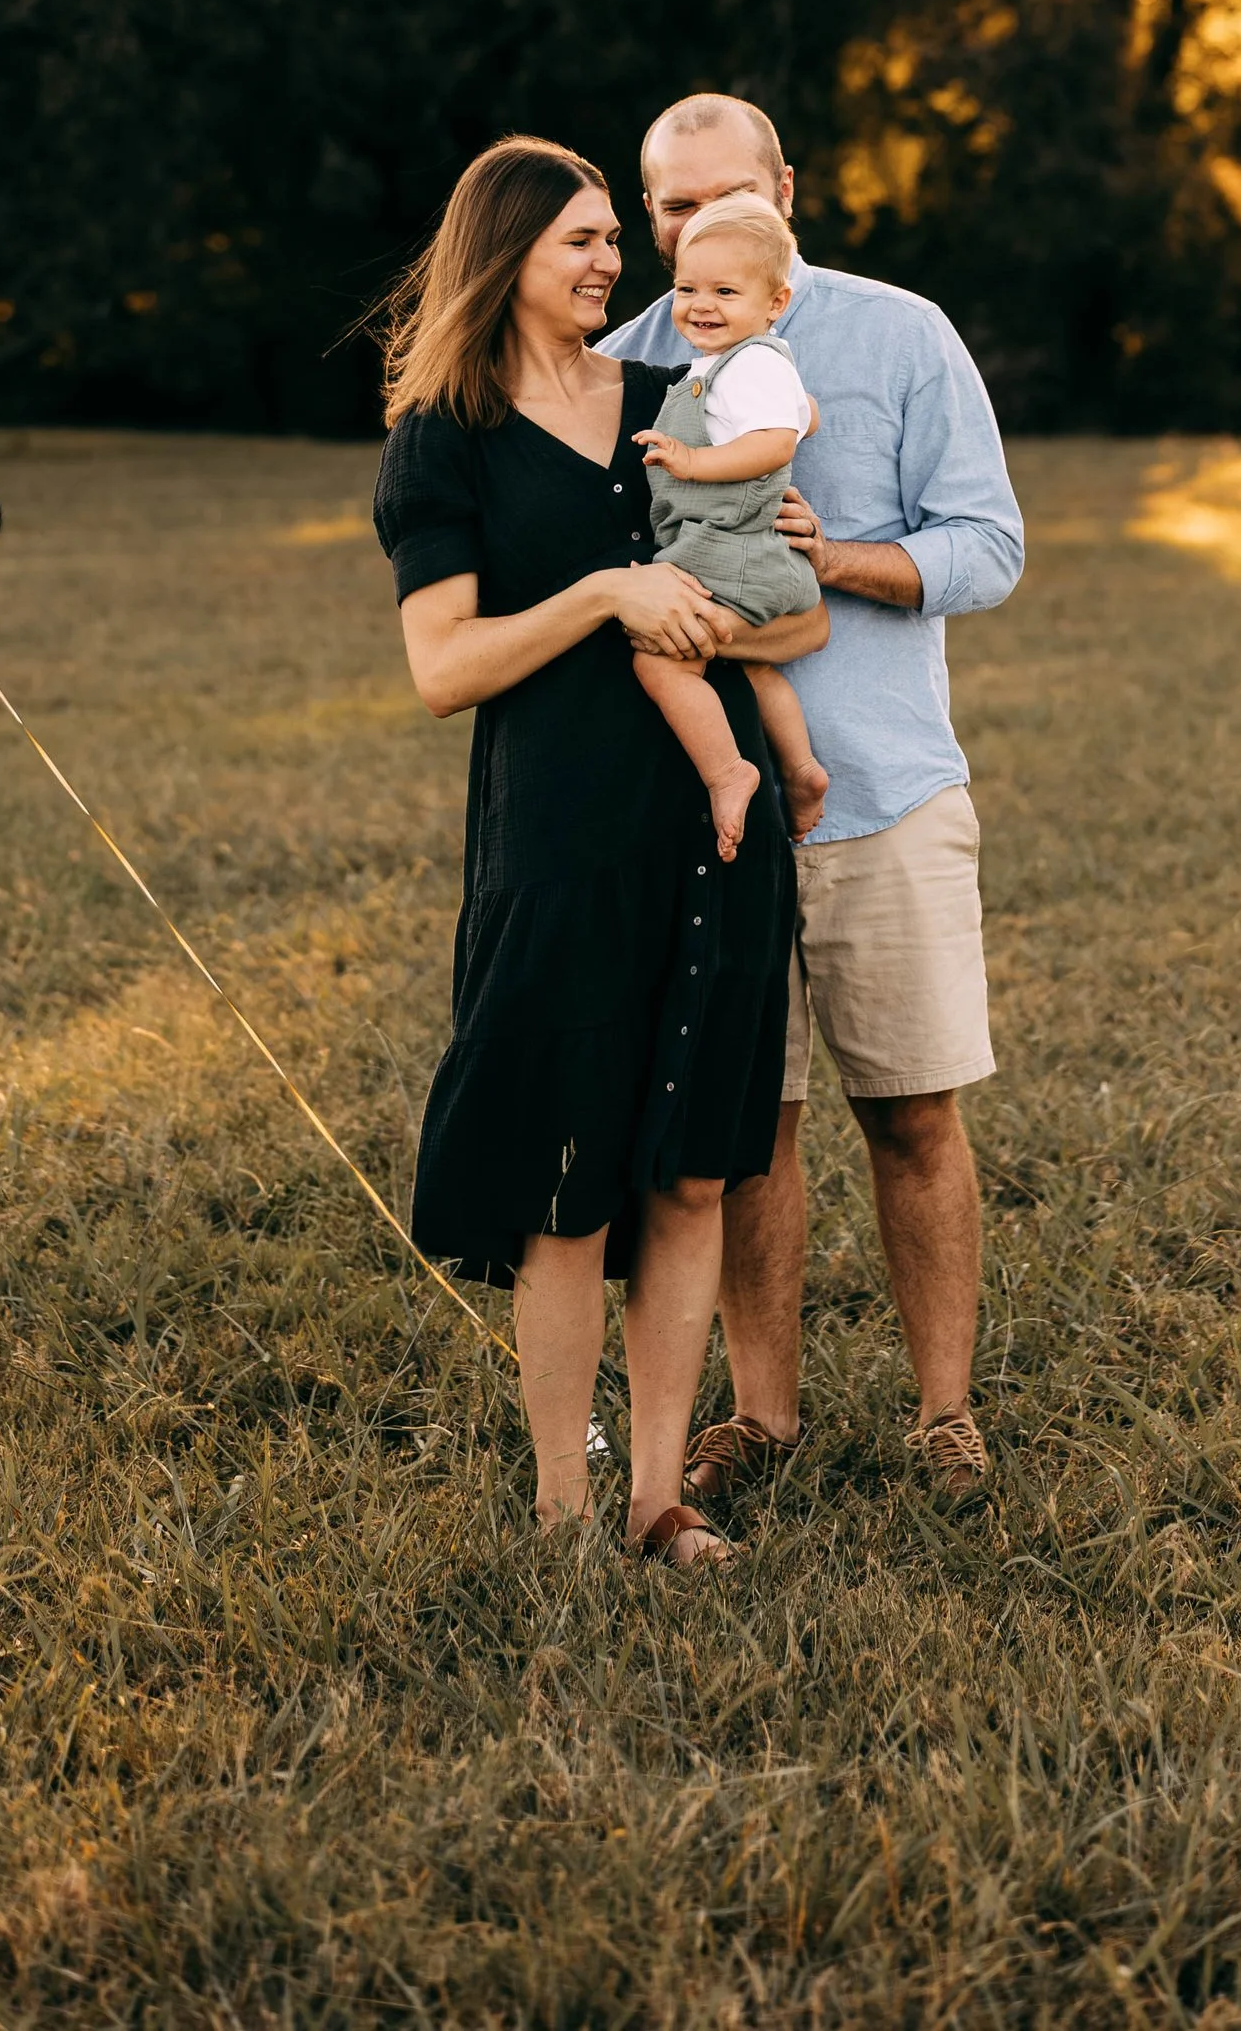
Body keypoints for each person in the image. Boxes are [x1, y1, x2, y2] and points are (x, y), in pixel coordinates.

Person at [371, 135, 828, 1569]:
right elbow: (445, 667)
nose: (610, 260)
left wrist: (738, 600)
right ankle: (567, 1515)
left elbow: (796, 617)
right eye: (581, 239)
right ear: (503, 254)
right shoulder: (444, 434)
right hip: (563, 842)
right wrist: (604, 593)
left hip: (715, 830)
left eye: (608, 240)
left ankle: (657, 1496)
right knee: (569, 1184)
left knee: (690, 1168)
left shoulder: (671, 403)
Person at [602, 93, 1024, 1505]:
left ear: (789, 190)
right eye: (670, 207)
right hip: (696, 809)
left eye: (730, 197)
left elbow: (989, 545)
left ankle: (945, 1414)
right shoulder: (613, 367)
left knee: (910, 1111)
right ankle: (763, 1416)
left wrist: (830, 557)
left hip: (887, 791)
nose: (696, 228)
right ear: (647, 211)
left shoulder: (901, 333)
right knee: (744, 1129)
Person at [629, 193, 834, 866]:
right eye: (686, 288)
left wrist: (694, 460)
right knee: (752, 664)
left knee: (659, 659)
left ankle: (729, 772)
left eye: (724, 290)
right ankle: (800, 767)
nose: (700, 304)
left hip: (731, 549)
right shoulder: (727, 366)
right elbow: (803, 415)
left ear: (774, 304)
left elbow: (776, 441)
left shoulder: (752, 364)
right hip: (745, 553)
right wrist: (802, 412)